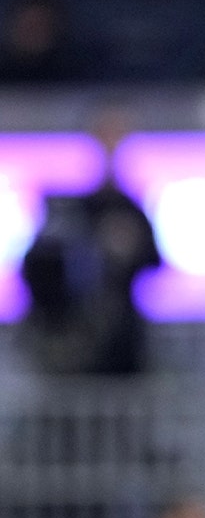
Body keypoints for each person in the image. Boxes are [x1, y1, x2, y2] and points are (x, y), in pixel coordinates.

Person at [19, 104, 162, 374]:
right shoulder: (69, 207)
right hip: (71, 346)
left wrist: (129, 248)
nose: (111, 143)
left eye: (118, 134)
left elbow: (155, 262)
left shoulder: (131, 209)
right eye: (105, 133)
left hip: (122, 345)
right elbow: (36, 269)